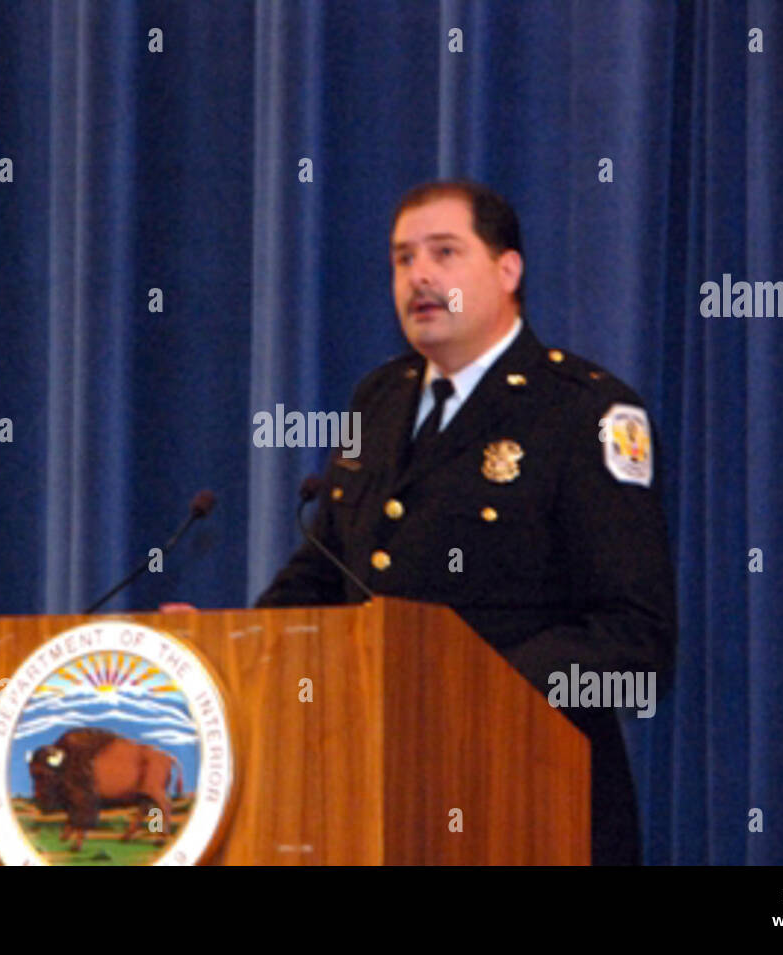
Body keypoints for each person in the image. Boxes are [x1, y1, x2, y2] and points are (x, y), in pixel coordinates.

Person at [254, 180, 677, 865]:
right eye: (402, 258)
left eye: (444, 252)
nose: (419, 274)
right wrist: (243, 648)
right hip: (380, 801)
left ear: (508, 270)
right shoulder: (380, 399)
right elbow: (323, 570)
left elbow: (636, 643)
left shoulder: (584, 414)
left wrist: (471, 693)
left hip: (527, 802)